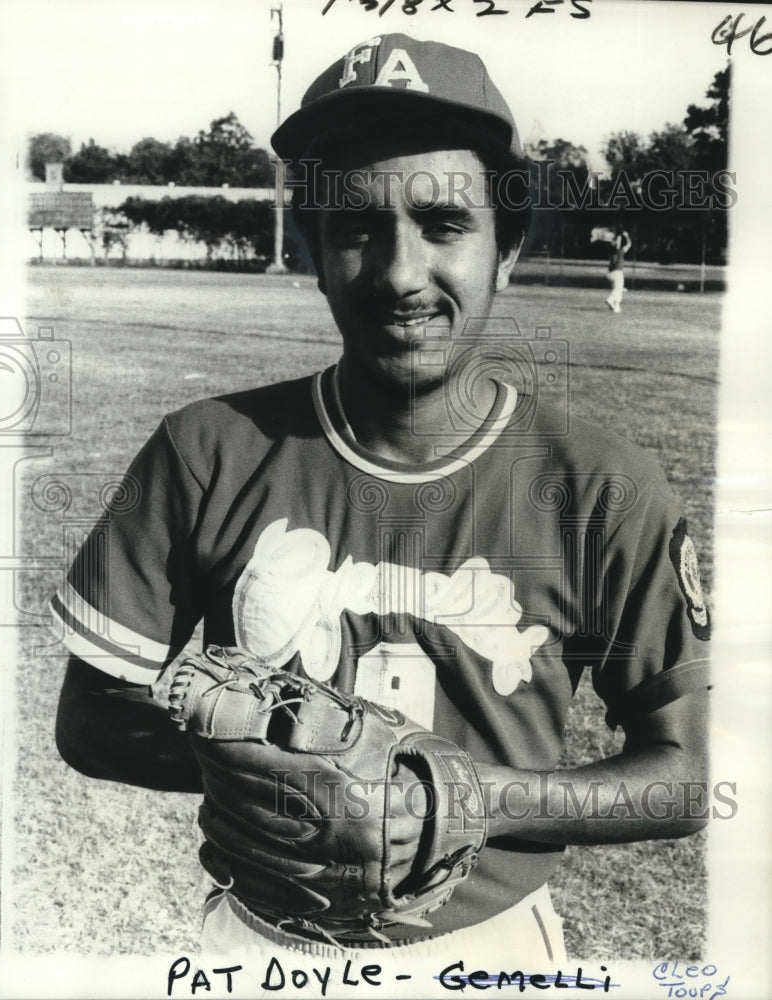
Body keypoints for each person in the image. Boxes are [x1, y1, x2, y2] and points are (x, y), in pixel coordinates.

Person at [52, 33, 710, 975]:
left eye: (444, 225)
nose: (402, 275)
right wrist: (262, 759)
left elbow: (686, 778)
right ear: (316, 252)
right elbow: (89, 716)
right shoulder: (207, 449)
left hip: (490, 951)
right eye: (358, 228)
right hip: (258, 948)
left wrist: (459, 796)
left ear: (507, 248)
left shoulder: (599, 484)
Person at [606, 224, 632, 312]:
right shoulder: (621, 251)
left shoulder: (612, 251)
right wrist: (626, 236)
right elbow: (629, 244)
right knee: (618, 289)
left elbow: (615, 243)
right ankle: (612, 300)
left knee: (618, 289)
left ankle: (615, 306)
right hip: (617, 272)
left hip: (609, 273)